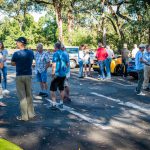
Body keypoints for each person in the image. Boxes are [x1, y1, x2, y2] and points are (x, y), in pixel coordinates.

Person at [11, 37, 35, 121]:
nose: (16, 43)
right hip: (28, 75)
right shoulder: (31, 52)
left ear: (21, 43)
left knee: (22, 97)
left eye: (17, 42)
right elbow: (32, 61)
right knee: (29, 95)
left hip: (19, 75)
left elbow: (13, 63)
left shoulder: (16, 54)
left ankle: (24, 116)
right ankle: (31, 114)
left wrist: (19, 63)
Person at [50, 42, 69, 110]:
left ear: (56, 47)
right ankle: (61, 103)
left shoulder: (56, 53)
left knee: (52, 90)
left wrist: (53, 73)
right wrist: (64, 71)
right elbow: (67, 64)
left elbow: (54, 64)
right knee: (61, 88)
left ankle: (54, 104)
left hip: (57, 74)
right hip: (63, 74)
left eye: (54, 47)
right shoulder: (65, 53)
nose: (53, 48)